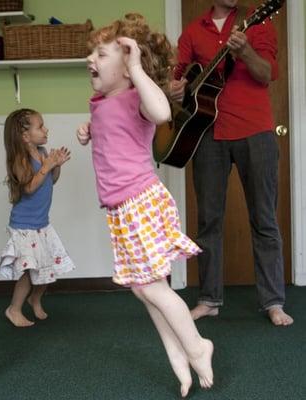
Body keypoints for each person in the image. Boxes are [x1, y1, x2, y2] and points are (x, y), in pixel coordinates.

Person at [76, 13, 213, 397]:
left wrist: (136, 67)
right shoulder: (103, 102)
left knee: (152, 287)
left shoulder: (138, 96)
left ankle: (197, 345)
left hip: (141, 201)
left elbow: (163, 113)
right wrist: (89, 132)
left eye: (101, 54)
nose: (91, 60)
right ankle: (177, 353)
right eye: (92, 54)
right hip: (121, 209)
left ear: (126, 67)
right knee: (143, 288)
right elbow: (116, 137)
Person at [169, 0, 293, 326]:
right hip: (207, 134)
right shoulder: (194, 31)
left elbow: (267, 74)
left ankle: (273, 302)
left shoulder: (258, 22)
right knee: (208, 220)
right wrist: (176, 89)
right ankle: (209, 300)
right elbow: (177, 78)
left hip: (256, 131)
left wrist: (246, 52)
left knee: (264, 219)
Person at [0, 108, 75, 328]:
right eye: (40, 126)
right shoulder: (19, 159)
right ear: (25, 136)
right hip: (24, 226)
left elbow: (52, 180)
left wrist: (56, 166)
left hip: (41, 224)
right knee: (28, 272)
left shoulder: (41, 152)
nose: (45, 129)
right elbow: (30, 187)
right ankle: (13, 309)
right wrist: (47, 165)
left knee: (48, 266)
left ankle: (35, 298)